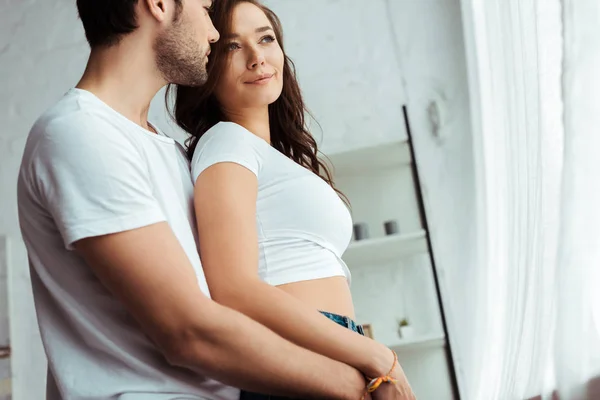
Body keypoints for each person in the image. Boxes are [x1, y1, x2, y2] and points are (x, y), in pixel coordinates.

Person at [16, 0, 398, 398]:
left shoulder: (170, 153)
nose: (212, 33)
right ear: (159, 4)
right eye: (203, 7)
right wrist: (366, 379)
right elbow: (188, 332)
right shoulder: (81, 132)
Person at [171, 1, 416, 399]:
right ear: (207, 64)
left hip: (331, 347)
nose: (257, 58)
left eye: (266, 38)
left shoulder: (264, 154)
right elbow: (232, 286)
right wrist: (378, 357)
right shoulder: (226, 142)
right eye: (232, 47)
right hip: (297, 354)